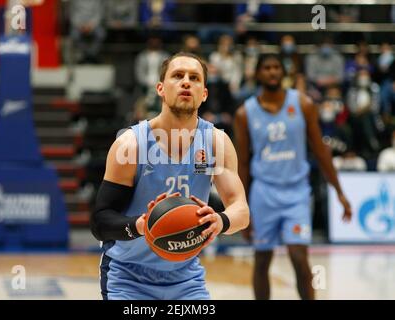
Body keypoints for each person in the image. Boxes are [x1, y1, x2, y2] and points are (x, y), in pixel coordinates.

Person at [91, 52, 250, 300]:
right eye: (178, 76)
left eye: (194, 78)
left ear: (204, 93)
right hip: (128, 277)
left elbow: (241, 210)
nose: (186, 82)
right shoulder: (131, 144)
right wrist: (141, 225)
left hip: (186, 278)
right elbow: (100, 222)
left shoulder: (216, 142)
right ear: (160, 89)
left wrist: (221, 221)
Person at [233, 54, 352, 300]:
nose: (272, 72)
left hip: (296, 192)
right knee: (262, 258)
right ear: (257, 74)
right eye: (266, 67)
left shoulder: (303, 104)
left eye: (277, 67)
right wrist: (240, 205)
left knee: (299, 256)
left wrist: (339, 192)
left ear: (283, 73)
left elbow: (320, 150)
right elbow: (242, 163)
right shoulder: (245, 113)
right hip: (263, 192)